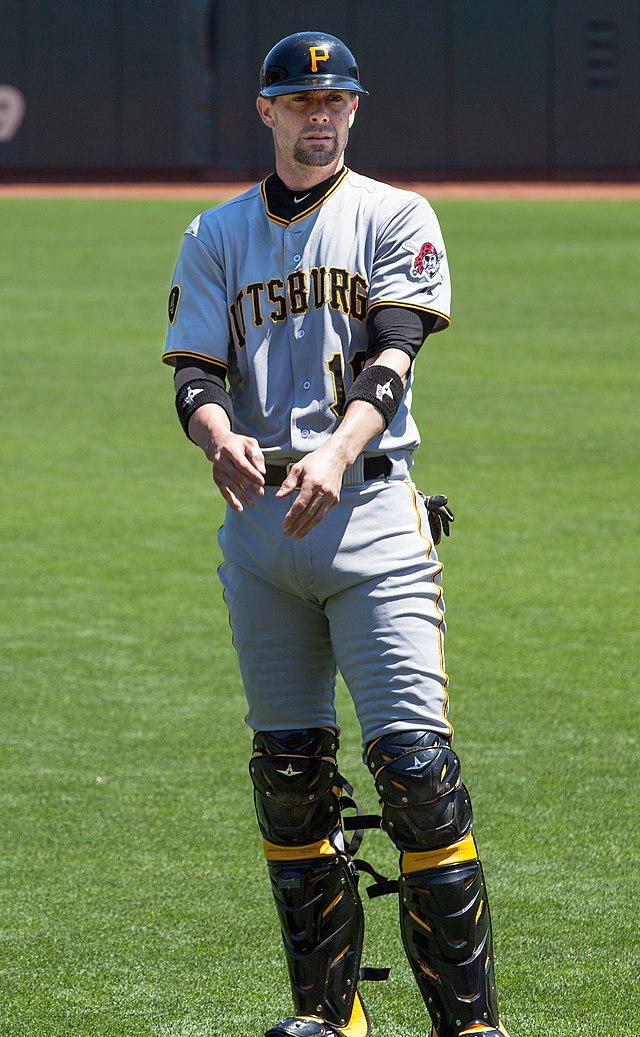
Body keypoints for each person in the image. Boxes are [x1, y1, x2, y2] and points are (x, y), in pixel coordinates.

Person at [163, 30, 511, 1037]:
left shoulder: (394, 215)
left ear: (354, 110)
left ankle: (469, 1024)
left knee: (414, 768)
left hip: (369, 509)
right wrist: (216, 431)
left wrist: (333, 446)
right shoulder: (215, 233)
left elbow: (395, 352)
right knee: (287, 773)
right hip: (260, 525)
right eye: (300, 102)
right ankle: (331, 1017)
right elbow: (193, 373)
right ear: (267, 112)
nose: (320, 116)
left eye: (337, 102)